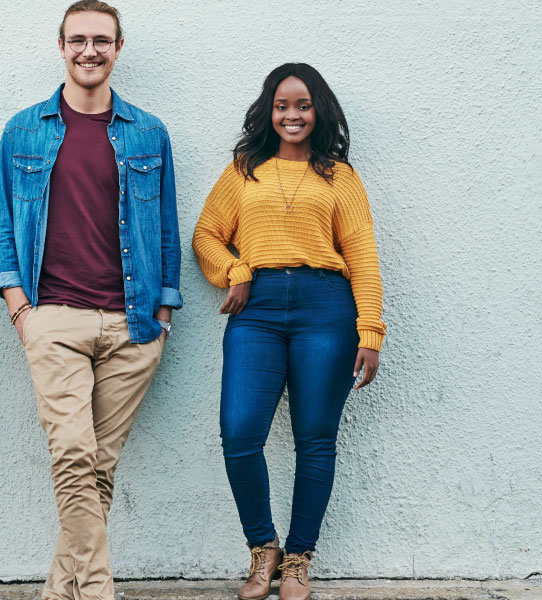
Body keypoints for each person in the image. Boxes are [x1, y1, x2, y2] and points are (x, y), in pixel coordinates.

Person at [0, 2, 182, 598]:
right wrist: (22, 309)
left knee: (97, 467)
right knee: (73, 452)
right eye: (78, 40)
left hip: (134, 323)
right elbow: (1, 231)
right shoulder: (24, 129)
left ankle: (58, 588)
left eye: (101, 40)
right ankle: (97, 589)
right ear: (61, 46)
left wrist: (164, 313)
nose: (89, 51)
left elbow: (167, 230)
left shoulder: (149, 132)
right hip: (54, 318)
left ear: (119, 48)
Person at [191, 63, 385, 600]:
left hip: (327, 308)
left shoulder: (340, 178)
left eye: (302, 105)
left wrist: (370, 329)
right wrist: (234, 271)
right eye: (282, 105)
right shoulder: (244, 169)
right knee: (239, 432)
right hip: (257, 308)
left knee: (315, 437)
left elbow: (363, 256)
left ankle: (298, 560)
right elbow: (206, 234)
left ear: (318, 110)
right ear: (268, 111)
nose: (292, 114)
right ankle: (263, 549)